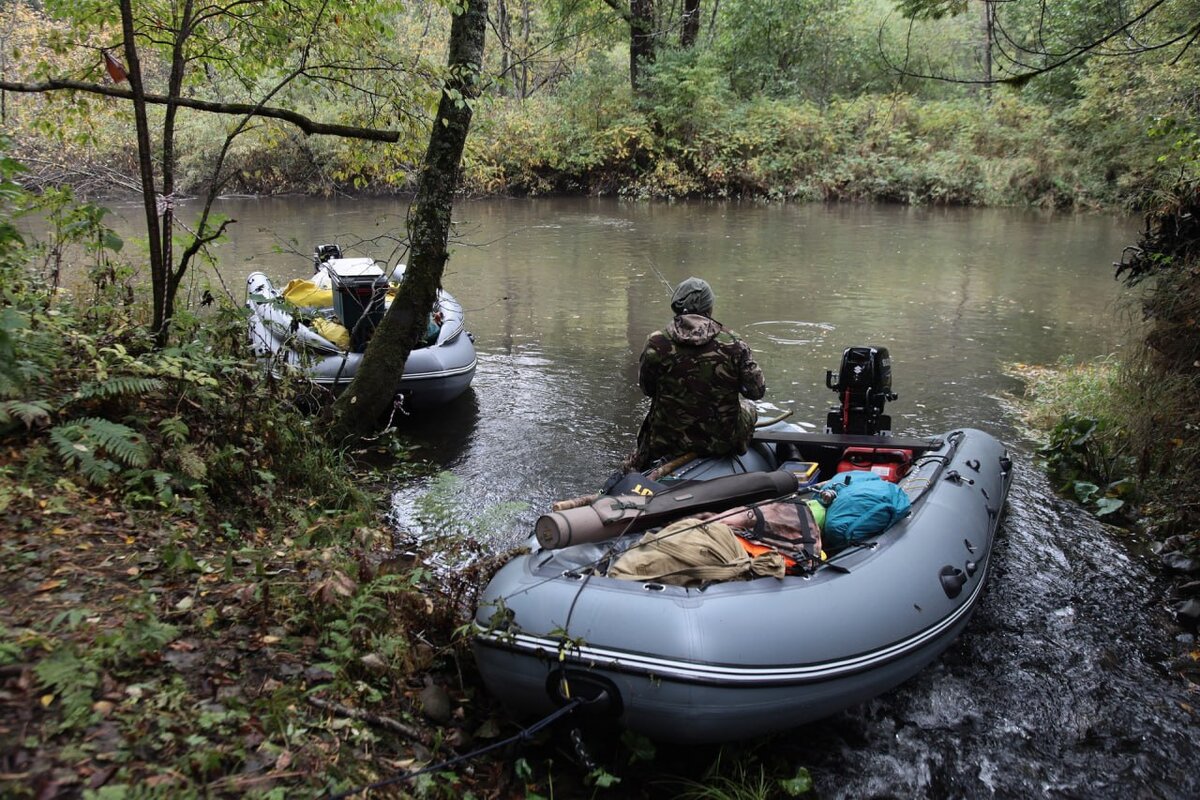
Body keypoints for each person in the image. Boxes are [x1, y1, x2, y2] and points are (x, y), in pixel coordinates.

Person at [629, 277, 765, 470]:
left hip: (666, 441)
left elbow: (648, 389)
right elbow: (756, 392)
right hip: (720, 442)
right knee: (749, 406)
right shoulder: (734, 343)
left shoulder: (656, 343)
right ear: (709, 309)